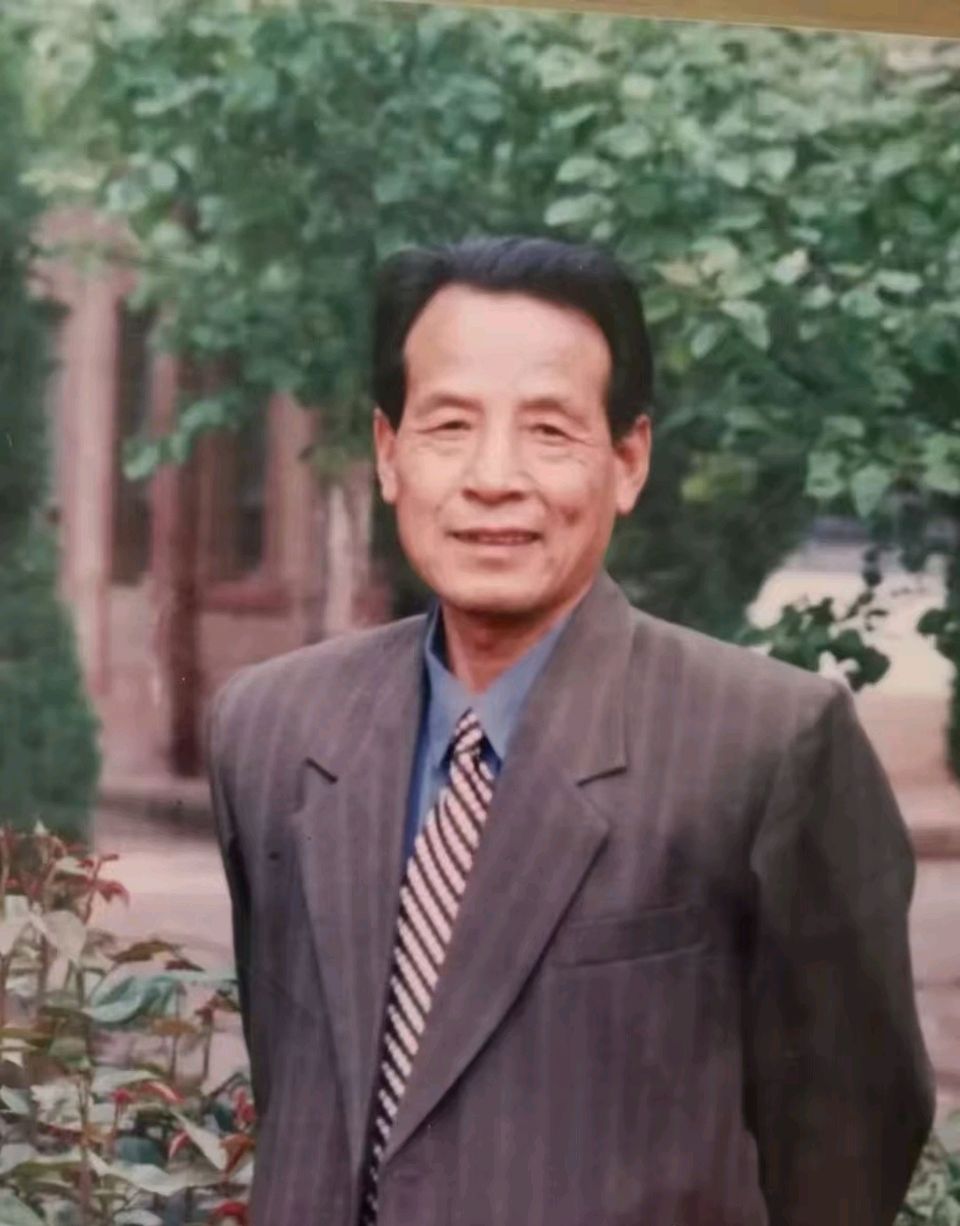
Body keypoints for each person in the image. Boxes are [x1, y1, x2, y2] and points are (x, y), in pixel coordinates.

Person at [207, 236, 935, 1226]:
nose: (493, 477)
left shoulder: (769, 743)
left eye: (548, 431)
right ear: (387, 452)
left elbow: (848, 1144)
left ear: (628, 460)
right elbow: (300, 1079)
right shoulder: (271, 726)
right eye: (449, 425)